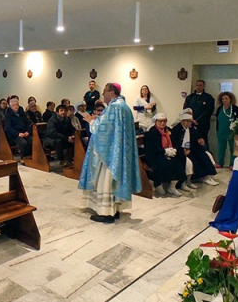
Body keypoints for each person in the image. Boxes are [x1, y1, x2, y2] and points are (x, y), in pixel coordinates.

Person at [79, 83, 141, 223]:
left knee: (105, 180)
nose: (103, 94)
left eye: (104, 91)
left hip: (110, 154)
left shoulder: (114, 107)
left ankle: (106, 212)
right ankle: (115, 209)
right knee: (113, 181)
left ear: (112, 93)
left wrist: (91, 121)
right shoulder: (124, 106)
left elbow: (104, 131)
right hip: (119, 151)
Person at [173, 113, 219, 192]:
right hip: (180, 150)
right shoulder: (176, 129)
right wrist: (183, 150)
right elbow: (175, 143)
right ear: (183, 121)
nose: (190, 124)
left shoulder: (190, 128)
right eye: (188, 122)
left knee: (203, 154)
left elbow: (196, 136)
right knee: (193, 160)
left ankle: (206, 176)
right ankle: (187, 181)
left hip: (190, 148)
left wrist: (200, 139)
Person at [143, 113, 187, 196]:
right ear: (155, 122)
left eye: (164, 121)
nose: (162, 123)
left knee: (180, 160)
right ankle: (158, 184)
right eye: (160, 121)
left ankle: (173, 186)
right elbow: (151, 148)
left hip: (168, 152)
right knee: (163, 163)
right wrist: (164, 151)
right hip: (155, 155)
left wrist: (174, 149)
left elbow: (176, 142)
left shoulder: (169, 131)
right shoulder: (151, 133)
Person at [182, 79, 215, 147]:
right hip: (190, 124)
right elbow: (185, 109)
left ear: (203, 86)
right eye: (197, 85)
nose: (198, 87)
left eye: (200, 85)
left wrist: (197, 120)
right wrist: (191, 120)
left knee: (203, 141)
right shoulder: (190, 97)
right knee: (190, 141)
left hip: (203, 124)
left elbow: (208, 111)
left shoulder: (208, 97)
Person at [214, 92, 238, 168]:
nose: (224, 100)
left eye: (226, 98)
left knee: (233, 149)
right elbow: (218, 120)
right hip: (221, 131)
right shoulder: (220, 108)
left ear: (230, 99)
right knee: (221, 148)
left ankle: (232, 164)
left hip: (232, 132)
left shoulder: (235, 108)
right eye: (223, 99)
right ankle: (220, 163)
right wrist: (217, 130)